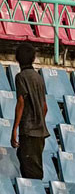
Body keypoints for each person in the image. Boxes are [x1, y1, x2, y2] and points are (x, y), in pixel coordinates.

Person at [10, 43, 49, 180]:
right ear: (33, 58)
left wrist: (15, 129)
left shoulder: (21, 77)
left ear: (17, 59)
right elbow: (44, 107)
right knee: (34, 166)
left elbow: (21, 102)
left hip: (28, 130)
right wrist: (40, 121)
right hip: (40, 131)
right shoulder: (39, 77)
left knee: (31, 172)